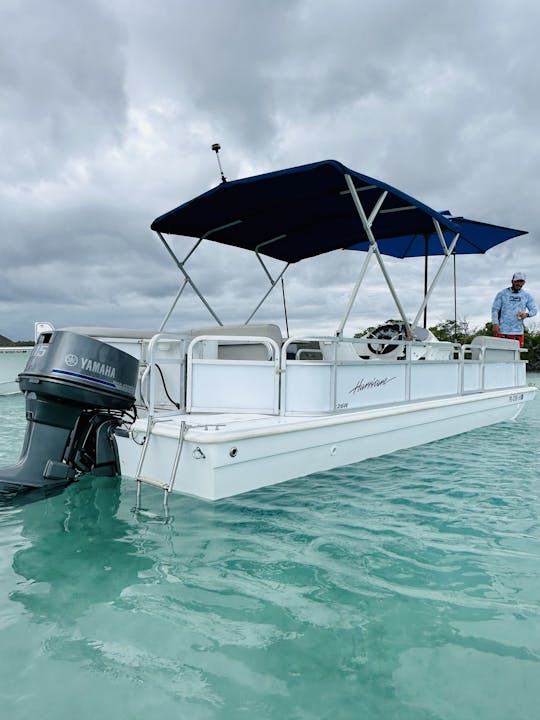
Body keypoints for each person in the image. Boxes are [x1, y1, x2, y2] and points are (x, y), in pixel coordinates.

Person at [491, 272, 537, 347]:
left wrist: (526, 314)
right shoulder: (502, 294)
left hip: (518, 332)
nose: (519, 284)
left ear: (524, 283)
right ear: (512, 281)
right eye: (517, 281)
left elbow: (534, 310)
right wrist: (495, 323)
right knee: (500, 354)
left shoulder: (526, 296)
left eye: (521, 281)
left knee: (515, 355)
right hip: (502, 330)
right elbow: (495, 310)